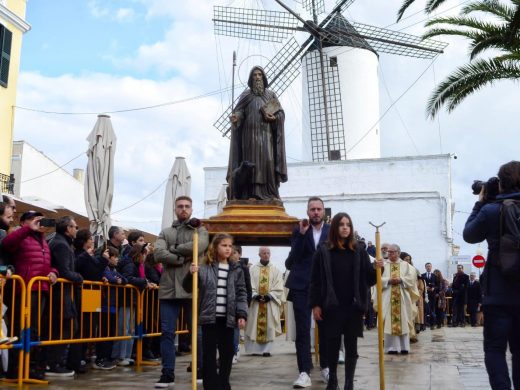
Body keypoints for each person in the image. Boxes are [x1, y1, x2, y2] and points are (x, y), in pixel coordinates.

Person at [463, 160, 520, 390]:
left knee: (495, 350)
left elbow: (468, 234)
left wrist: (481, 203)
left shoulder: (489, 210)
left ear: (501, 184)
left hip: (497, 294)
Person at [310, 212, 383, 390]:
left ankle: (349, 382)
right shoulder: (324, 251)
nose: (345, 227)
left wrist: (377, 270)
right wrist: (316, 304)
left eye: (348, 225)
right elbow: (316, 280)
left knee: (352, 346)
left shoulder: (358, 250)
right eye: (341, 224)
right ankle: (333, 379)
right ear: (335, 227)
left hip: (353, 306)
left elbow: (368, 279)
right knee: (332, 345)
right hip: (331, 305)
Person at [153, 196, 209, 388]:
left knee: (198, 333)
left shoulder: (200, 230)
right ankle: (167, 374)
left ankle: (201, 368)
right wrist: (179, 259)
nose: (183, 209)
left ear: (192, 209)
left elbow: (199, 246)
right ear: (175, 209)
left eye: (187, 206)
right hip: (168, 289)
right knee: (167, 333)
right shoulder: (165, 231)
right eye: (180, 206)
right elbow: (157, 253)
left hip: (192, 287)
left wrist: (173, 250)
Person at [183, 233, 248, 390]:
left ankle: (224, 383)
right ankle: (210, 386)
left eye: (229, 246)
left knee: (227, 353)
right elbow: (188, 287)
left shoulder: (236, 269)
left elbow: (241, 293)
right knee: (209, 355)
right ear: (215, 247)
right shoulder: (204, 268)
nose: (227, 249)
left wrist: (241, 314)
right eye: (223, 245)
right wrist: (191, 275)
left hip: (228, 318)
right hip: (209, 317)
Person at [2, 211, 58, 380]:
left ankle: (29, 367)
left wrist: (53, 273)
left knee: (33, 329)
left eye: (41, 220)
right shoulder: (19, 234)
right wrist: (28, 229)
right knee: (21, 328)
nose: (38, 222)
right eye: (34, 219)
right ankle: (16, 369)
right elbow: (7, 245)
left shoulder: (42, 240)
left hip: (40, 288)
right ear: (24, 221)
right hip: (24, 288)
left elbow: (48, 263)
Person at [285, 196, 330, 388]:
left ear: (324, 212)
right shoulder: (299, 231)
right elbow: (291, 260)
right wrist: (302, 235)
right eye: (312, 209)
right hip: (301, 285)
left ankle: (327, 367)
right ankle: (304, 371)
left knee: (327, 329)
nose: (316, 212)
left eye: (319, 209)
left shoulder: (331, 231)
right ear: (307, 212)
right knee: (303, 330)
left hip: (325, 287)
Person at [227, 66, 287, 200]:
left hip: (267, 136)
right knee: (249, 162)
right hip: (248, 136)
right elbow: (240, 111)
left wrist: (275, 118)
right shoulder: (246, 95)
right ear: (251, 78)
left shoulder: (270, 95)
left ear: (264, 77)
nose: (257, 77)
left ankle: (270, 193)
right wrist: (236, 117)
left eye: (260, 74)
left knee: (268, 161)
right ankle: (249, 193)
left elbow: (280, 113)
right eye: (254, 75)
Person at [47, 216, 84, 376]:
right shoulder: (61, 244)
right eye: (75, 227)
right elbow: (64, 271)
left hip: (63, 291)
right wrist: (79, 278)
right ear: (68, 228)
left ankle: (54, 362)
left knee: (66, 327)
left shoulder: (62, 242)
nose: (76, 229)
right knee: (65, 327)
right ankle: (52, 363)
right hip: (60, 292)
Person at [376, 244, 419, 354]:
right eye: (388, 252)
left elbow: (412, 278)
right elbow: (376, 278)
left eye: (392, 252)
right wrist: (388, 280)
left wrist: (401, 280)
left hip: (402, 296)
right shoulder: (383, 264)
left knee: (403, 321)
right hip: (388, 296)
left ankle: (404, 347)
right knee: (388, 321)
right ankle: (391, 348)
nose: (389, 254)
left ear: (398, 253)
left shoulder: (406, 265)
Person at [244, 247, 283, 356]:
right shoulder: (252, 269)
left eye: (268, 253)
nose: (266, 255)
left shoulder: (275, 269)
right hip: (255, 303)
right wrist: (255, 295)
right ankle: (255, 350)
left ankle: (267, 350)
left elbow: (278, 286)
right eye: (264, 253)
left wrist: (270, 296)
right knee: (253, 324)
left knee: (269, 326)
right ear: (259, 255)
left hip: (269, 303)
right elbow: (248, 284)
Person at [422, 262, 439, 330]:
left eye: (429, 266)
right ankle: (424, 325)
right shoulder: (422, 275)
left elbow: (438, 285)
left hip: (432, 296)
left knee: (432, 310)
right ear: (425, 267)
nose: (428, 267)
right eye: (427, 266)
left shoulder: (434, 276)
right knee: (424, 310)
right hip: (425, 295)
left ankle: (432, 324)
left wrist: (434, 288)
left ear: (431, 267)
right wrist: (425, 288)